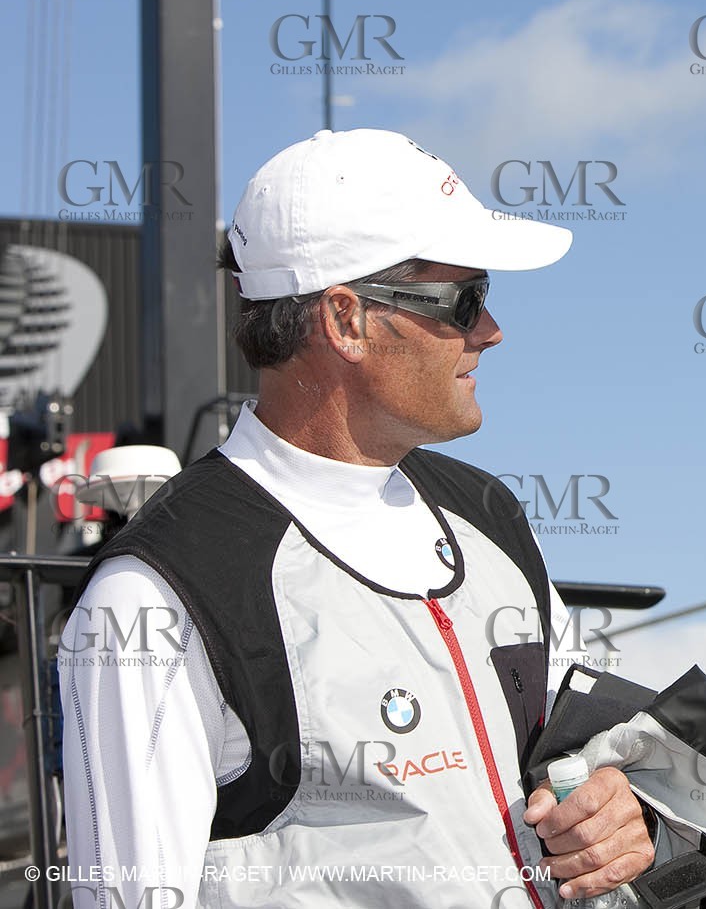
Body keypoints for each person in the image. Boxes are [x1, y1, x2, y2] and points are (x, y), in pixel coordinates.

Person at [59, 129, 655, 909]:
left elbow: (589, 758)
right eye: (465, 300)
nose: (491, 330)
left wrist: (621, 810)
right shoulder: (156, 592)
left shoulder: (491, 517)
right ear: (345, 319)